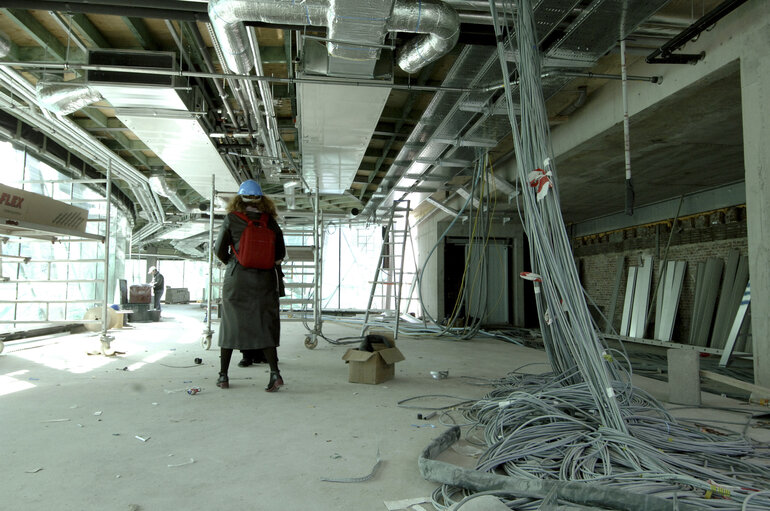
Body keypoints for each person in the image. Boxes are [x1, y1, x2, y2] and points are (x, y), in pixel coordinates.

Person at [213, 179, 286, 392]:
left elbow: (219, 250)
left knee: (230, 324)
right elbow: (279, 254)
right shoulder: (270, 221)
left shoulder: (231, 219)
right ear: (262, 199)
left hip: (237, 280)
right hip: (264, 280)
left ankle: (223, 376)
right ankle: (275, 373)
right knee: (265, 324)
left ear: (239, 198)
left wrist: (234, 262)